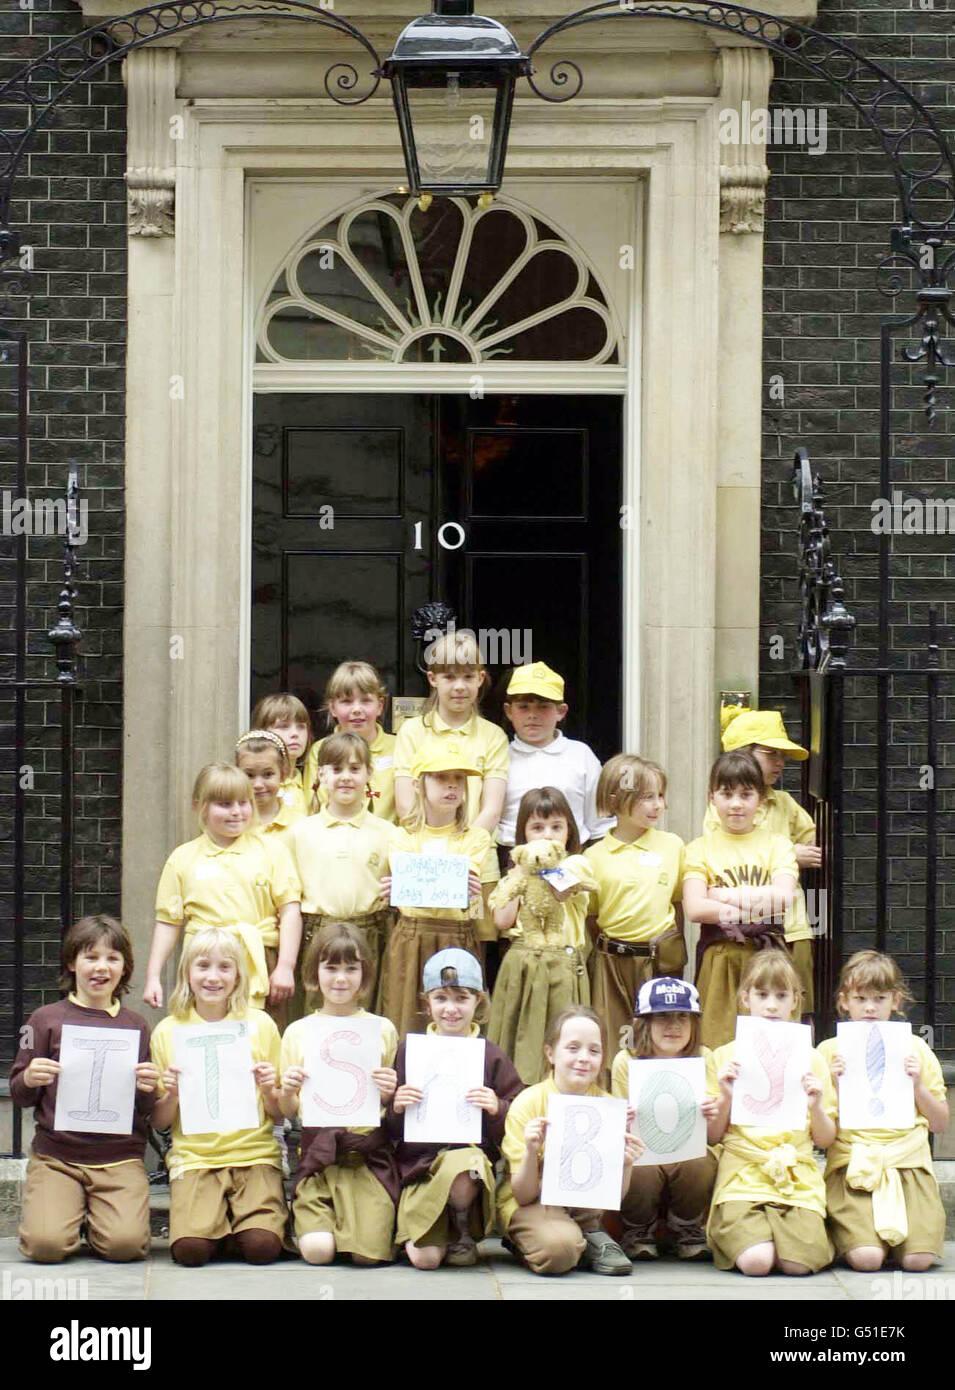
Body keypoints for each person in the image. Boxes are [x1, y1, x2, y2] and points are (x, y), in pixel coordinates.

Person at [10, 915, 160, 1263]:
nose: (101, 968)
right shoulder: (42, 1019)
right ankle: (62, 1213)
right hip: (57, 1158)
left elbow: (147, 1107)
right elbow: (19, 1093)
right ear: (71, 962)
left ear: (125, 968)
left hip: (119, 1158)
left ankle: (96, 1218)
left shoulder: (137, 1026)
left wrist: (148, 1087)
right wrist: (30, 1077)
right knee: (45, 1247)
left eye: (112, 958)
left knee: (125, 1247)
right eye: (90, 957)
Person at [150, 927, 287, 1266]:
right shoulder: (168, 1031)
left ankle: (241, 1225)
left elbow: (280, 1113)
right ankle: (218, 1226)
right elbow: (159, 1121)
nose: (213, 976)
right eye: (203, 966)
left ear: (239, 974)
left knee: (262, 1247)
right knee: (190, 1252)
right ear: (187, 972)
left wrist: (270, 1089)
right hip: (196, 1156)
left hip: (253, 1153)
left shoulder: (260, 1025)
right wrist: (173, 1095)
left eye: (225, 967)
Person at [387, 949, 524, 1268]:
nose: (451, 1009)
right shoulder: (410, 1051)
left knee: (467, 1162)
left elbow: (517, 1118)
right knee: (426, 1260)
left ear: (478, 1001)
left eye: (461, 998)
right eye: (441, 998)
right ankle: (425, 1229)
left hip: (469, 1174)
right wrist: (397, 1106)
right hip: (420, 1169)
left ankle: (462, 1228)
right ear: (427, 1003)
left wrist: (498, 1108)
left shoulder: (490, 1055)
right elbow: (390, 1130)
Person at [706, 950, 836, 1276]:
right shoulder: (724, 1057)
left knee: (797, 1265)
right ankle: (748, 1236)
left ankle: (790, 1235)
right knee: (756, 1262)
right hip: (743, 1174)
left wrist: (816, 1105)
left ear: (796, 1000)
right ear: (745, 998)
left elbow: (826, 1139)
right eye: (762, 995)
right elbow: (711, 1136)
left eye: (782, 995)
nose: (771, 1005)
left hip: (797, 1175)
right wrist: (725, 1094)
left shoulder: (813, 1059)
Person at [143, 762, 303, 1025]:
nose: (237, 812)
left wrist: (285, 966)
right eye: (224, 804)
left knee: (259, 1037)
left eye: (243, 802)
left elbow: (290, 911)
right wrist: (153, 976)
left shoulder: (272, 851)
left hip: (258, 959)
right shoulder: (183, 858)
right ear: (199, 806)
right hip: (204, 962)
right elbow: (168, 921)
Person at [819, 950, 948, 1272]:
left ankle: (898, 1238)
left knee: (919, 1261)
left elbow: (940, 1122)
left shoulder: (916, 1049)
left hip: (907, 1162)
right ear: (844, 1001)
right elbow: (820, 1137)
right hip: (854, 1162)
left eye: (880, 998)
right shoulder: (828, 1051)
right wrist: (831, 1084)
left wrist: (918, 1086)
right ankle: (860, 1237)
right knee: (866, 1259)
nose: (870, 1008)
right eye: (861, 998)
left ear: (896, 1000)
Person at [279, 922, 399, 1266]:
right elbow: (287, 1111)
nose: (341, 979)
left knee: (367, 1257)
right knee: (318, 1252)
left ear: (365, 975)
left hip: (366, 1158)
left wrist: (389, 1094)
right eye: (331, 968)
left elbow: (390, 1108)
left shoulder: (383, 1030)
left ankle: (362, 1223)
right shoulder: (298, 1033)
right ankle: (316, 1219)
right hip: (319, 1156)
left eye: (351, 968)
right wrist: (288, 1090)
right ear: (314, 973)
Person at [497, 1005, 643, 1276]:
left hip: (585, 1212)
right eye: (573, 1048)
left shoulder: (609, 1107)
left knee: (566, 1241)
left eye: (594, 1050)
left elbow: (613, 1196)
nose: (584, 1058)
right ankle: (568, 1243)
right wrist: (531, 1151)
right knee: (559, 1252)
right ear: (550, 1053)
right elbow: (522, 1194)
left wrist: (625, 1163)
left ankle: (586, 1236)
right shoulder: (528, 1103)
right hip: (534, 1204)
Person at [393, 629, 508, 956]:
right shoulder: (413, 732)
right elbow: (405, 804)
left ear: (481, 678)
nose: (459, 686)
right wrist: (437, 860)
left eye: (468, 676)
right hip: (421, 865)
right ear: (432, 678)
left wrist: (463, 857)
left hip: (475, 868)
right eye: (449, 676)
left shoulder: (493, 736)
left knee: (471, 964)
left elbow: (491, 808)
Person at [683, 750, 801, 1050]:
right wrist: (754, 907)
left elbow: (783, 898)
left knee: (773, 1041)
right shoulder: (699, 849)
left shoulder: (778, 845)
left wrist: (721, 896)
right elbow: (695, 908)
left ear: (760, 799)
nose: (736, 804)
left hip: (768, 956)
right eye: (727, 794)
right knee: (717, 1043)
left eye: (746, 794)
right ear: (712, 797)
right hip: (720, 957)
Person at [705, 706, 820, 1015]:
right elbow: (722, 859)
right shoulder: (722, 808)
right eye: (771, 754)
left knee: (794, 1010)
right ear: (744, 754)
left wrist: (798, 852)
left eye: (782, 755)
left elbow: (816, 842)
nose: (780, 763)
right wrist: (790, 855)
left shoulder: (784, 803)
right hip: (745, 932)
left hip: (792, 927)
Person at [583, 755, 686, 1073]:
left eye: (660, 796)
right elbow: (590, 917)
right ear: (615, 799)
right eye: (647, 797)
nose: (658, 805)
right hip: (611, 963)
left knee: (661, 1041)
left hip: (660, 962)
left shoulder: (673, 846)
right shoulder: (593, 855)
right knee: (613, 1045)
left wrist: (672, 953)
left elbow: (679, 904)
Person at [378, 751, 491, 1036]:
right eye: (441, 778)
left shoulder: (476, 837)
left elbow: (474, 908)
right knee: (405, 1019)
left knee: (457, 1019)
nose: (452, 786)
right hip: (411, 935)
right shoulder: (400, 836)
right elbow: (392, 895)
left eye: (458, 780)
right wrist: (389, 894)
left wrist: (475, 898)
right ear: (418, 785)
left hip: (458, 933)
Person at [488, 787, 596, 1082]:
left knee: (562, 1040)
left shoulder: (575, 864)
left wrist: (541, 867)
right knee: (519, 1042)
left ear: (569, 831)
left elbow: (560, 891)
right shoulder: (518, 872)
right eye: (537, 828)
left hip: (561, 962)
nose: (547, 834)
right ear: (523, 834)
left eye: (556, 827)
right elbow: (502, 919)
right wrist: (520, 873)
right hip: (522, 961)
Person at [286, 731, 398, 1010]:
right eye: (336, 769)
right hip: (316, 931)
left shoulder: (389, 834)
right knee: (314, 1010)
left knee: (366, 1010)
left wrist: (399, 890)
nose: (345, 777)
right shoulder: (299, 833)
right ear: (322, 774)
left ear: (369, 773)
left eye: (355, 768)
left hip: (371, 931)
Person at [610, 977, 719, 1259]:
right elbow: (618, 1129)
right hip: (645, 1148)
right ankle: (638, 1229)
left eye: (683, 1016)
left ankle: (687, 1227)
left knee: (702, 1159)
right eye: (662, 1017)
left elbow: (715, 1135)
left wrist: (711, 1113)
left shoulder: (705, 1058)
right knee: (636, 1159)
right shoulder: (626, 1060)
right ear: (643, 1022)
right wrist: (622, 1118)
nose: (674, 1025)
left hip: (687, 1151)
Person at [497, 661, 612, 856]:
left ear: (561, 711)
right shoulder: (499, 756)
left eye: (543, 707)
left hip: (570, 858)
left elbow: (600, 822)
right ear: (509, 711)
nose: (533, 715)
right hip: (512, 859)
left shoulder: (580, 755)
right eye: (523, 707)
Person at [304, 661, 397, 821]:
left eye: (365, 701)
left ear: (380, 705)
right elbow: (312, 805)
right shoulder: (320, 750)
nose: (356, 709)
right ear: (333, 707)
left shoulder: (398, 746)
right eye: (347, 701)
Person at [250, 692, 314, 818]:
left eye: (301, 727)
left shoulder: (309, 782)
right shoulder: (256, 785)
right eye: (283, 726)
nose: (295, 734)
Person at [235, 728, 304, 837]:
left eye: (267, 774)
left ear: (283, 773)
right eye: (249, 775)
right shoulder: (231, 823)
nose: (258, 784)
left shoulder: (300, 824)